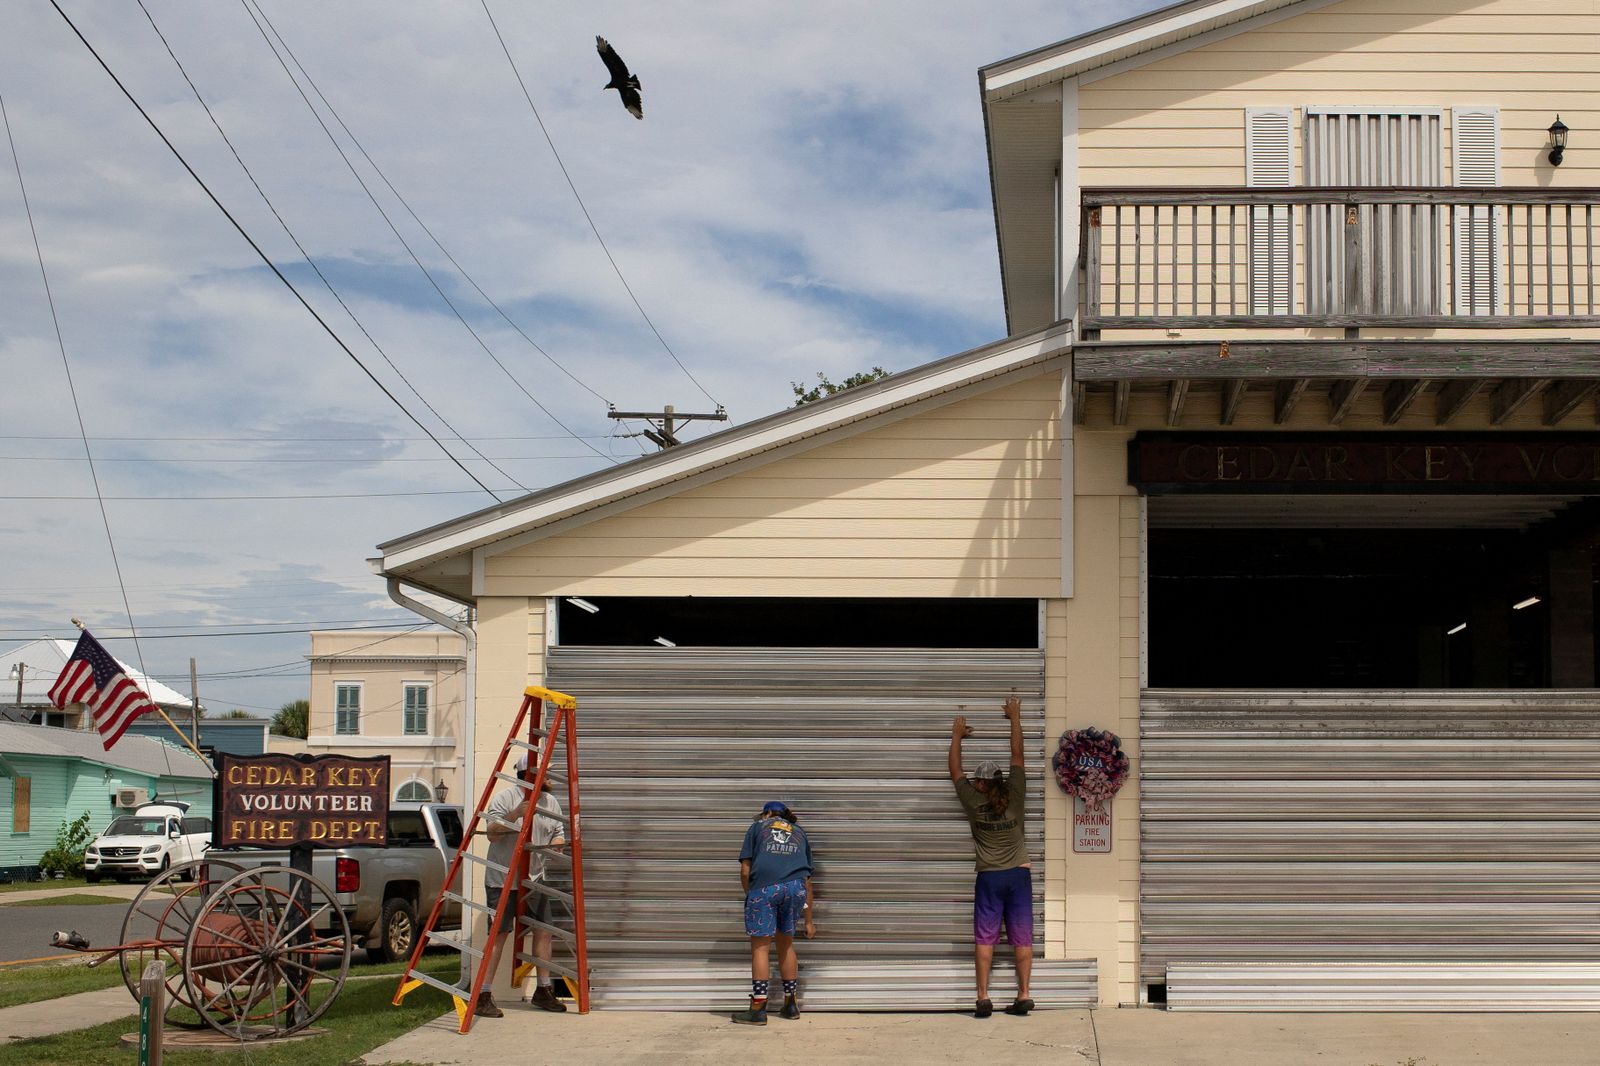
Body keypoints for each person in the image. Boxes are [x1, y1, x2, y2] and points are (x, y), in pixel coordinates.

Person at [949, 695, 1033, 1018]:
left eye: (975, 780)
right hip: (1018, 875)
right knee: (1021, 937)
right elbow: (1018, 753)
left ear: (981, 783)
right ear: (999, 779)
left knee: (985, 938)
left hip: (989, 878)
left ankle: (983, 997)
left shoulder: (973, 800)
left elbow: (955, 769)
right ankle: (1023, 993)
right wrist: (1014, 717)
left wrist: (956, 735)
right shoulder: (1015, 793)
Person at [476, 752, 566, 1018]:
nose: (549, 778)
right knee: (498, 936)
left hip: (535, 879)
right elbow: (492, 834)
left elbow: (558, 834)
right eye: (544, 773)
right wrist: (516, 814)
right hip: (503, 880)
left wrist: (556, 848)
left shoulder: (550, 802)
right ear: (530, 776)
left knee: (543, 931)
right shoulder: (505, 798)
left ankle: (543, 989)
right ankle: (483, 994)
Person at [731, 801, 816, 1025]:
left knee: (760, 946)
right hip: (795, 889)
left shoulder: (758, 827)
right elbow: (807, 882)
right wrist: (809, 921)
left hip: (765, 888)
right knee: (785, 943)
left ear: (767, 813)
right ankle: (790, 1004)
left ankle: (758, 1008)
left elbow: (745, 870)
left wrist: (751, 894)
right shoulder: (800, 833)